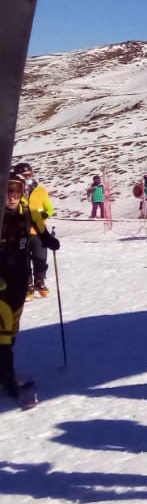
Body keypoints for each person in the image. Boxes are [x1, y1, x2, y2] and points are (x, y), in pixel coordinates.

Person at [1, 172, 59, 401]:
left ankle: (4, 371)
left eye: (17, 190)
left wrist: (49, 241)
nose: (12, 196)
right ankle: (7, 376)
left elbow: (40, 232)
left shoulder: (26, 212)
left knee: (12, 327)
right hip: (1, 277)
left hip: (19, 277)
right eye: (8, 190)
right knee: (3, 329)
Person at [14, 164, 53, 299]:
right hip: (20, 231)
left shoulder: (40, 190)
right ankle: (28, 285)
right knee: (23, 259)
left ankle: (40, 282)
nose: (28, 177)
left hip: (38, 230)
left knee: (40, 258)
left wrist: (45, 214)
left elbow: (49, 208)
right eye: (24, 175)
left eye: (29, 174)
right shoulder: (12, 190)